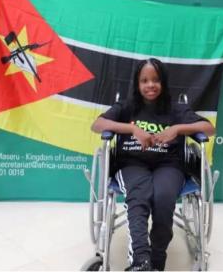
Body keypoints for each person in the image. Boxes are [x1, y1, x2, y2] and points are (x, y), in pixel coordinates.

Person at [91, 58, 214, 271]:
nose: (150, 85)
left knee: (164, 197)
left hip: (169, 165)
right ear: (137, 84)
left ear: (163, 82)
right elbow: (97, 125)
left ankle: (157, 260)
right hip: (132, 163)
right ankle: (140, 260)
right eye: (144, 80)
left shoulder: (176, 109)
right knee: (139, 195)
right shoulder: (127, 106)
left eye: (156, 80)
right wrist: (132, 130)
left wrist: (177, 129)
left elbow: (209, 128)